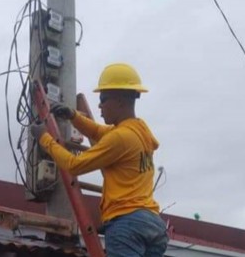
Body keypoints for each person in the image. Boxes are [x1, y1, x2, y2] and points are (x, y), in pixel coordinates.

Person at [31, 63, 168, 256]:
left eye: (103, 99)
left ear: (119, 101)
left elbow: (74, 165)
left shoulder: (120, 138)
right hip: (152, 224)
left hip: (127, 223)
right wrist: (73, 116)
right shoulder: (139, 130)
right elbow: (97, 131)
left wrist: (44, 138)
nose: (99, 105)